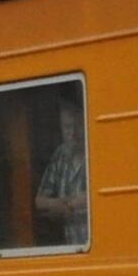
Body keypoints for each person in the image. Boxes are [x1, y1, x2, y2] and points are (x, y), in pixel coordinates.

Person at [34, 104, 88, 246]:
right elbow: (39, 201)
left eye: (79, 126)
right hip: (71, 246)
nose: (73, 133)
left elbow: (95, 198)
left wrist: (65, 207)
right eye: (68, 127)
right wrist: (68, 204)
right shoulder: (60, 155)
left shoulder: (96, 151)